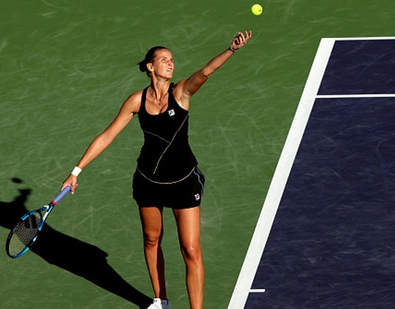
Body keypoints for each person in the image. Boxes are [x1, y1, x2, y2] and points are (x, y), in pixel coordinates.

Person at [61, 30, 252, 309]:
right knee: (151, 239)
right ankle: (161, 300)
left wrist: (231, 50)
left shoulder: (181, 93)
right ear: (150, 67)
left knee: (190, 250)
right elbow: (107, 136)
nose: (170, 63)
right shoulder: (136, 101)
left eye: (172, 59)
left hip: (183, 182)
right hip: (148, 181)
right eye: (164, 59)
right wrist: (75, 171)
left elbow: (205, 72)